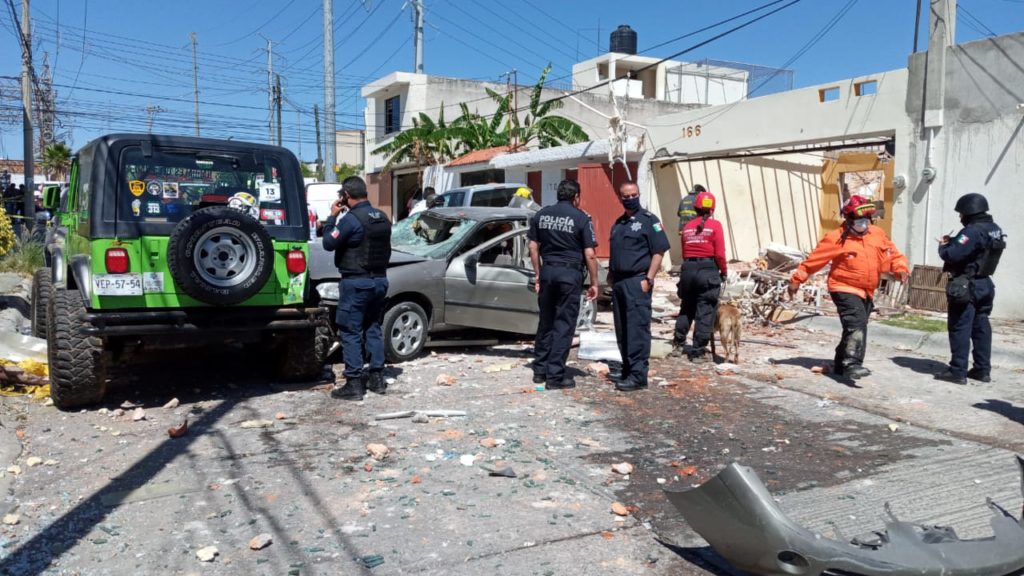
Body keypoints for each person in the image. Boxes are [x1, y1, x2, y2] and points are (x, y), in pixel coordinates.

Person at [787, 195, 909, 380]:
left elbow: (894, 255)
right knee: (856, 324)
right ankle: (852, 364)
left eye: (867, 220)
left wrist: (900, 269)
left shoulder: (877, 234)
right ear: (849, 220)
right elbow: (814, 261)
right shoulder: (836, 238)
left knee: (853, 327)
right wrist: (797, 280)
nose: (864, 224)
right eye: (859, 220)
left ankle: (839, 364)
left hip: (867, 290)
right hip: (843, 287)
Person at [322, 176, 392, 401]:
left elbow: (328, 243)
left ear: (346, 196)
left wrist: (332, 217)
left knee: (350, 330)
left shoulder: (351, 220)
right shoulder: (382, 217)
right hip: (379, 281)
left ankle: (354, 383)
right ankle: (377, 378)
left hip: (356, 283)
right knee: (372, 327)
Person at [527, 180, 599, 390]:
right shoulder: (581, 217)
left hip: (548, 270)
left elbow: (533, 247)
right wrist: (594, 283)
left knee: (546, 321)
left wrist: (539, 274)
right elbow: (590, 254)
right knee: (563, 325)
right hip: (569, 274)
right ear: (576, 197)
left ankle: (539, 371)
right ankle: (555, 376)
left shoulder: (542, 214)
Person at [936, 193, 1004, 385]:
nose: (960, 217)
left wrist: (944, 246)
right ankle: (982, 370)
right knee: (981, 326)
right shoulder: (995, 229)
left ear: (969, 212)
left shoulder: (972, 231)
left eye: (961, 214)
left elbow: (952, 254)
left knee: (960, 327)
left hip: (967, 285)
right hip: (985, 284)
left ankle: (957, 371)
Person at [608, 181, 671, 391]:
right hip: (619, 282)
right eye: (625, 195)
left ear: (639, 194)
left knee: (637, 329)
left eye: (633, 194)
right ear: (620, 197)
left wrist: (649, 279)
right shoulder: (619, 223)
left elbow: (659, 252)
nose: (630, 198)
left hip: (638, 281)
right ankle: (627, 368)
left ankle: (638, 376)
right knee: (622, 329)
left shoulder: (649, 221)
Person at [674, 190, 727, 363]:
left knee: (687, 308)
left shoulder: (687, 227)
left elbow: (684, 252)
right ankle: (697, 352)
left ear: (695, 208)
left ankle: (678, 344)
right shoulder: (716, 226)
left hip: (688, 269)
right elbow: (720, 254)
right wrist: (723, 272)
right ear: (712, 209)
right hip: (708, 269)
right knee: (705, 310)